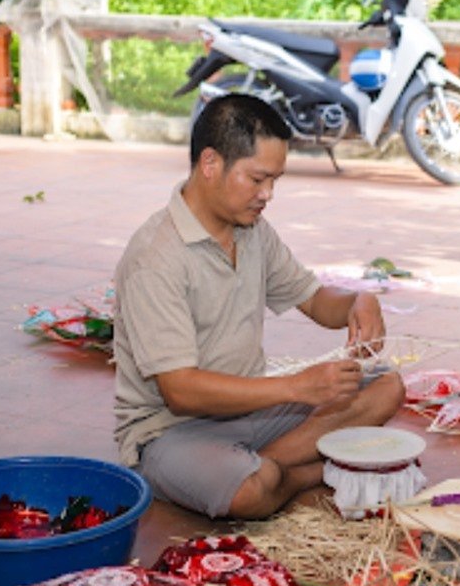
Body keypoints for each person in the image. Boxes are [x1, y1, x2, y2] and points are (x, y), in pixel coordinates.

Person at [113, 94, 404, 520]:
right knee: (249, 492)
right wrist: (296, 388)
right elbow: (180, 391)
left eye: (275, 181)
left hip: (250, 409)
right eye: (257, 179)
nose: (267, 194)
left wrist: (360, 301)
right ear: (210, 164)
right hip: (170, 432)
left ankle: (270, 465)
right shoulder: (154, 258)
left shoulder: (251, 232)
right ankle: (314, 470)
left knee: (387, 386)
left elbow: (317, 301)